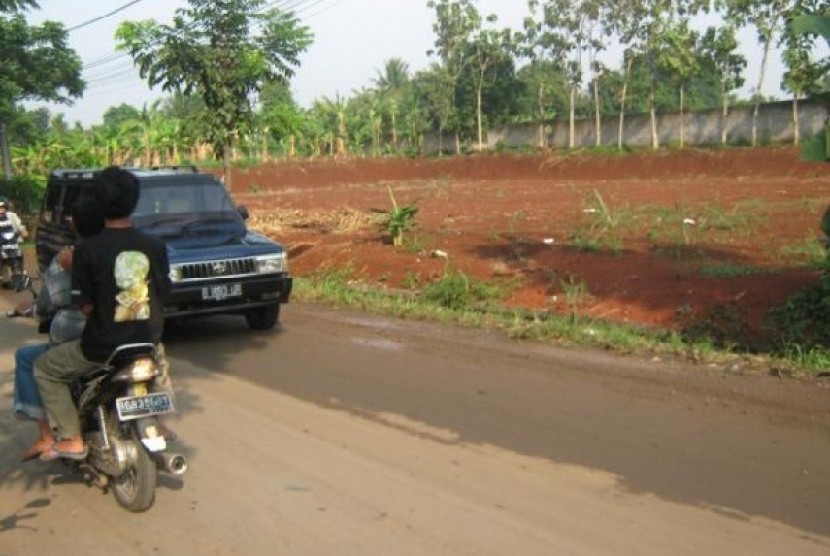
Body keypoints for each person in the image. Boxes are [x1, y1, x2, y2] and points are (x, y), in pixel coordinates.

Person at [34, 166, 171, 460]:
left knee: (44, 369)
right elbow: (164, 293)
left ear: (98, 202)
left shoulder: (88, 251)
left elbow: (85, 307)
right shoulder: (156, 246)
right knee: (157, 360)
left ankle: (71, 437)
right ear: (135, 200)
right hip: (148, 339)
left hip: (102, 347)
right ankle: (159, 423)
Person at [12, 197, 106, 461]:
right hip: (130, 335)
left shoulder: (68, 257)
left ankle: (52, 436)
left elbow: (50, 301)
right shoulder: (120, 252)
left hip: (84, 342)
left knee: (31, 361)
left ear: (74, 224)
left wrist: (33, 309)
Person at [0, 197, 28, 289]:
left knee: (18, 255)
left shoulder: (12, 216)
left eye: (2, 207)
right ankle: (6, 279)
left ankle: (22, 272)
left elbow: (20, 226)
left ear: (6, 207)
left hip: (14, 240)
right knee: (3, 258)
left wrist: (23, 231)